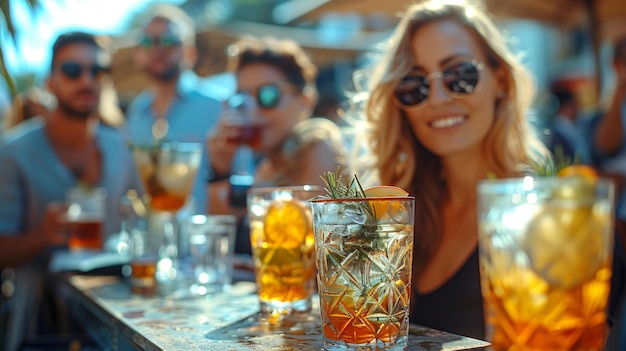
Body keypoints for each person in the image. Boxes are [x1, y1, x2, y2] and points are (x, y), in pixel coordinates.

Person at [352, 0, 625, 340]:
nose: (436, 97)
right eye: (414, 83)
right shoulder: (395, 216)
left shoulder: (558, 217)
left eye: (459, 75)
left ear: (501, 81)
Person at [0, 31, 140, 350]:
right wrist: (41, 236)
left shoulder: (120, 147)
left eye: (97, 71)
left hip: (118, 315)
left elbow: (149, 218)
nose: (86, 80)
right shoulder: (13, 152)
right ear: (51, 81)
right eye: (73, 70)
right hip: (42, 323)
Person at [207, 36, 347, 254]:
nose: (252, 110)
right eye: (243, 98)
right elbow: (218, 246)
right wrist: (219, 169)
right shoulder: (266, 169)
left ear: (305, 100)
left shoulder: (318, 142)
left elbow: (300, 253)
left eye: (268, 95)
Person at [126, 3, 221, 214]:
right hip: (154, 240)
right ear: (137, 53)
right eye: (147, 41)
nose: (157, 49)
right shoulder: (137, 112)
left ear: (190, 53)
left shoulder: (216, 105)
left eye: (169, 41)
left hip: (203, 241)